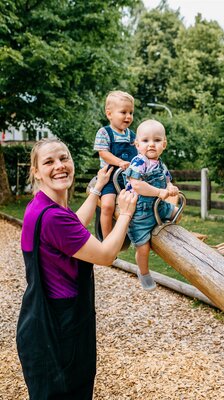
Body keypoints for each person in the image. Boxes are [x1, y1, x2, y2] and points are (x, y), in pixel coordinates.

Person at [16, 138, 137, 400]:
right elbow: (105, 255)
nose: (59, 166)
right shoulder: (53, 217)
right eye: (48, 162)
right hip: (60, 331)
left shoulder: (43, 205)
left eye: (64, 158)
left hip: (42, 326)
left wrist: (97, 190)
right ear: (36, 171)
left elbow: (74, 227)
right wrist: (126, 213)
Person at [124, 119, 179, 291]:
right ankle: (144, 272)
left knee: (176, 211)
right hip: (140, 212)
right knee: (143, 247)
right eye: (146, 140)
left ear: (164, 144)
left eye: (156, 140)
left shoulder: (161, 164)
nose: (151, 145)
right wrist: (158, 192)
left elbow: (168, 180)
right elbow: (137, 185)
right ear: (137, 144)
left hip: (158, 206)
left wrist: (170, 188)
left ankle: (170, 232)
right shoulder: (139, 162)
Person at [93, 90, 137, 239]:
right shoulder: (104, 133)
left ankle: (132, 235)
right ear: (109, 114)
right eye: (123, 112)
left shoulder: (132, 135)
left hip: (128, 179)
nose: (128, 116)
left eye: (131, 112)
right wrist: (119, 162)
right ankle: (107, 241)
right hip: (110, 178)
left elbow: (139, 154)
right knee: (107, 206)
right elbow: (103, 153)